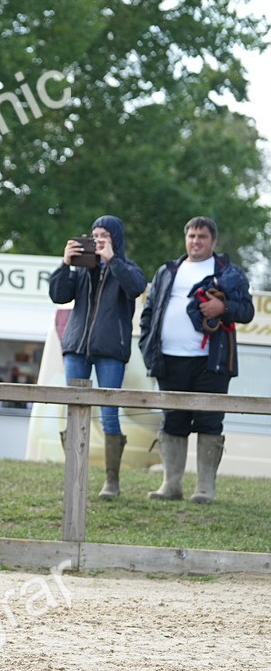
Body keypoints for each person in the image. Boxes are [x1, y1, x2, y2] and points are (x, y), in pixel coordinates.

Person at [139, 216, 253, 504]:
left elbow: (247, 311)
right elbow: (149, 311)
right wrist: (146, 344)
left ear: (214, 241)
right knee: (172, 421)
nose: (195, 241)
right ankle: (171, 485)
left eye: (202, 236)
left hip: (211, 361)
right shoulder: (167, 271)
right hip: (169, 359)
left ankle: (204, 489)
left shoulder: (229, 273)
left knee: (209, 421)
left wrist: (222, 307)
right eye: (191, 236)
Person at [48, 215, 147, 500]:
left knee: (109, 415)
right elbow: (58, 295)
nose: (98, 240)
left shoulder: (126, 267)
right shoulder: (80, 269)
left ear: (116, 238)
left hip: (110, 350)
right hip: (77, 347)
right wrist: (65, 264)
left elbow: (135, 287)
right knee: (75, 411)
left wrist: (112, 260)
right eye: (94, 234)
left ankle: (111, 481)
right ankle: (73, 478)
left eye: (104, 234)